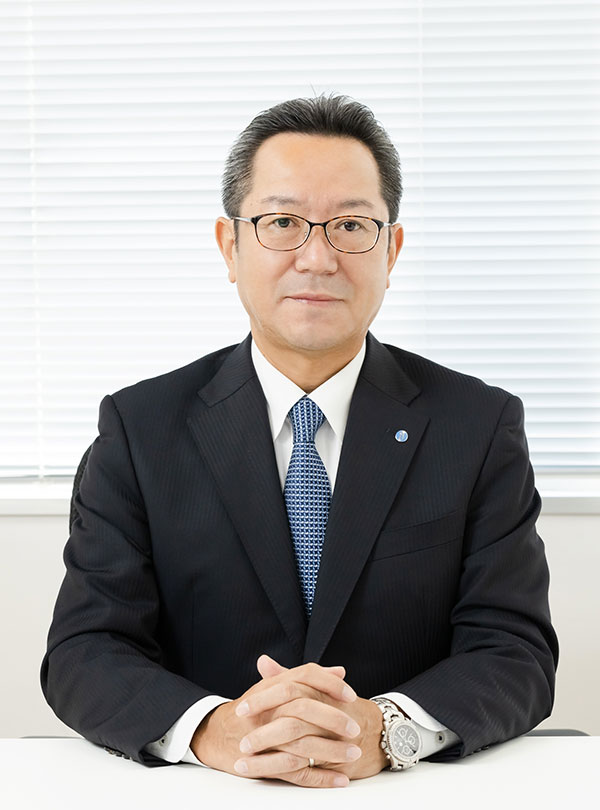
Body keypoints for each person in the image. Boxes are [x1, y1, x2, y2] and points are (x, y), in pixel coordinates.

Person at [41, 95, 558, 789]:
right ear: (231, 246)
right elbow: (85, 650)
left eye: (351, 226)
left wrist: (387, 730)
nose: (317, 258)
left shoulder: (477, 424)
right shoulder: (140, 428)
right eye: (282, 222)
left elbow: (515, 651)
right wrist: (214, 730)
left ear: (391, 250)